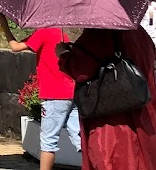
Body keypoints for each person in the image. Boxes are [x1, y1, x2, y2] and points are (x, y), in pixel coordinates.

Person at [57, 26, 156, 170]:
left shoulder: (99, 33)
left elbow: (81, 69)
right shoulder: (138, 33)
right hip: (142, 113)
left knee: (112, 161)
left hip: (110, 121)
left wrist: (63, 54)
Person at [0, 13, 81, 170]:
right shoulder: (66, 33)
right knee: (78, 137)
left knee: (48, 141)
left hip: (54, 94)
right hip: (71, 91)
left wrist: (5, 25)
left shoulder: (43, 32)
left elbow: (15, 47)